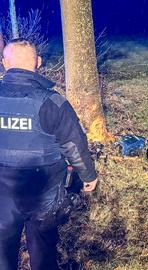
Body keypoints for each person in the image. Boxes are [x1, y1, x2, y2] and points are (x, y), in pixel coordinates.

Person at [0, 38, 97, 270]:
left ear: (4, 63)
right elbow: (74, 144)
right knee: (43, 252)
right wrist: (89, 176)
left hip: (2, 193)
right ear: (38, 62)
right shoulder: (53, 101)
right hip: (43, 192)